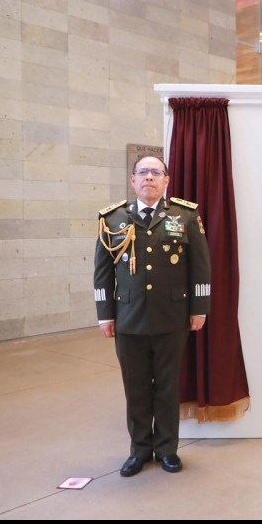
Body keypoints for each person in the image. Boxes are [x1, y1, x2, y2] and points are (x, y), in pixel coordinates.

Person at [93, 156, 211, 477]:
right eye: (142, 172)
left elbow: (200, 267)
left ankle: (168, 449)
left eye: (156, 172)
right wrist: (105, 314)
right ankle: (140, 450)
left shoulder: (185, 216)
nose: (149, 177)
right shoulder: (113, 218)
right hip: (128, 318)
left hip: (171, 317)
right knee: (136, 388)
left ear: (166, 181)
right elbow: (102, 272)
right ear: (133, 180)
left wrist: (199, 308)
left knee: (167, 387)